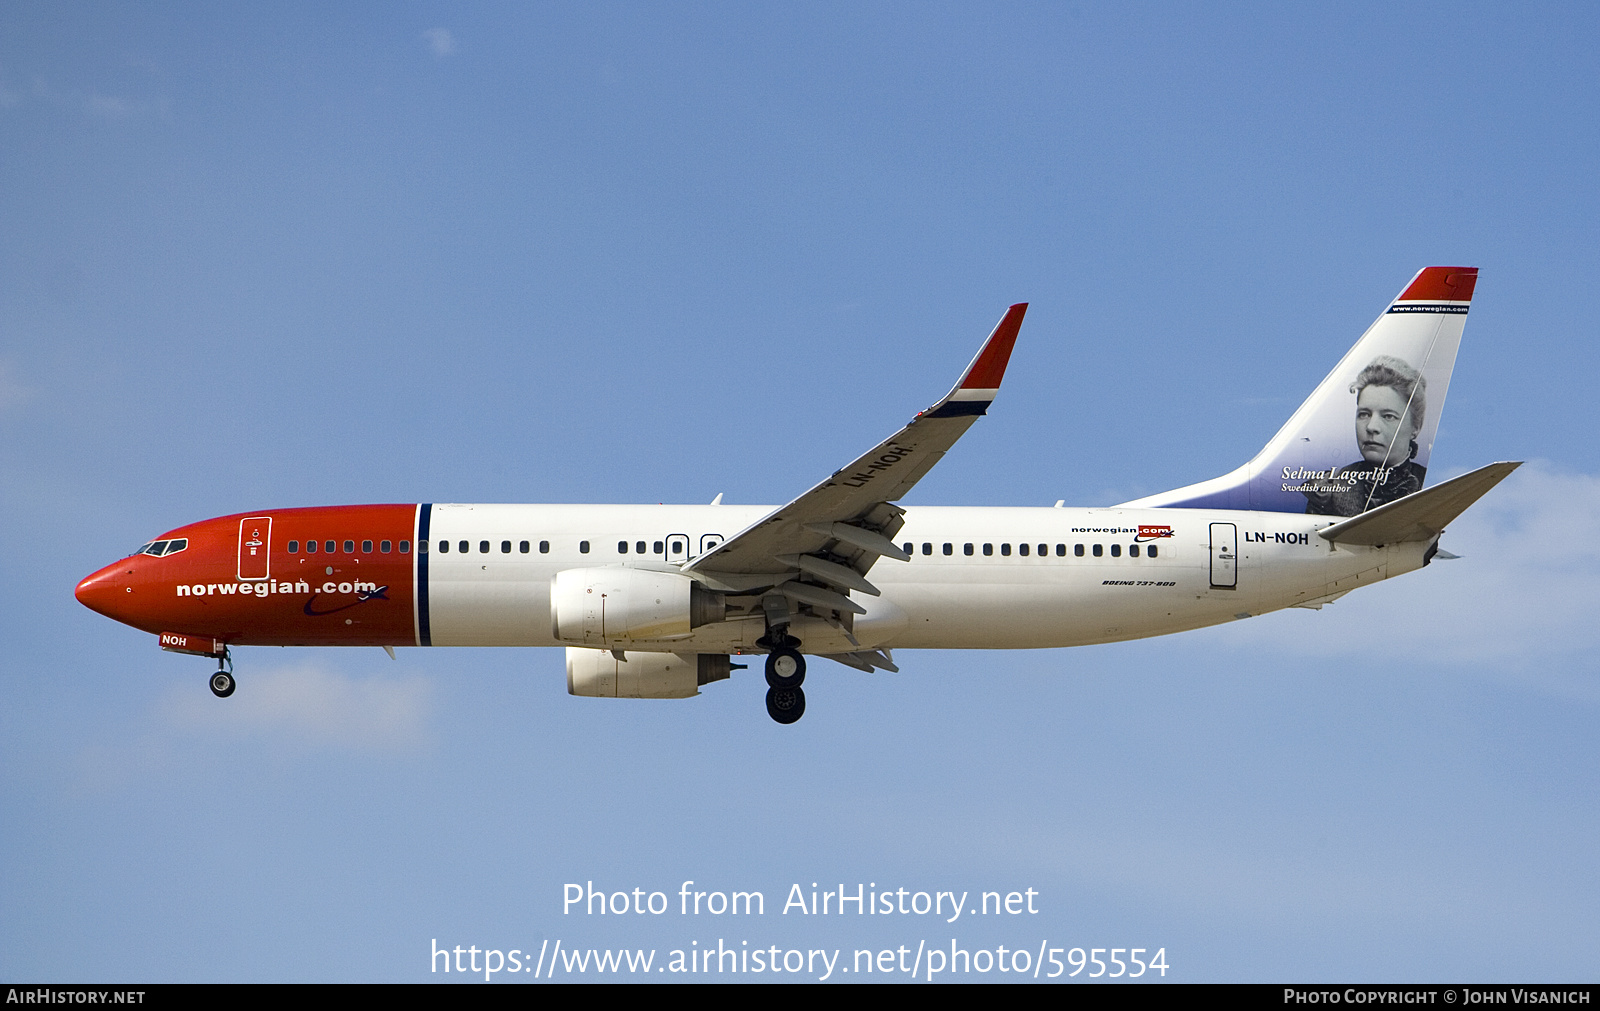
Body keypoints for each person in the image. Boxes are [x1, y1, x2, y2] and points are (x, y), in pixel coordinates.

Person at [1304, 355, 1427, 516]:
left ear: (1415, 427)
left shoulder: (1428, 482)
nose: (1371, 427)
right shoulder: (1330, 487)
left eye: (1388, 416)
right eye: (1364, 414)